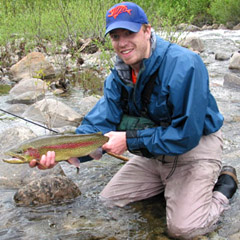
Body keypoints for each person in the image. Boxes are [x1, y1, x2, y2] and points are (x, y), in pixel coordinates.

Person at [30, 2, 238, 239]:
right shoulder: (118, 76)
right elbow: (97, 127)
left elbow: (186, 134)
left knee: (185, 230)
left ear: (147, 31)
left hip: (194, 146)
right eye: (116, 36)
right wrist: (60, 153)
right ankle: (174, 189)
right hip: (153, 152)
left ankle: (224, 187)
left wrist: (129, 140)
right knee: (109, 201)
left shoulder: (185, 64)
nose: (122, 42)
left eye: (129, 33)